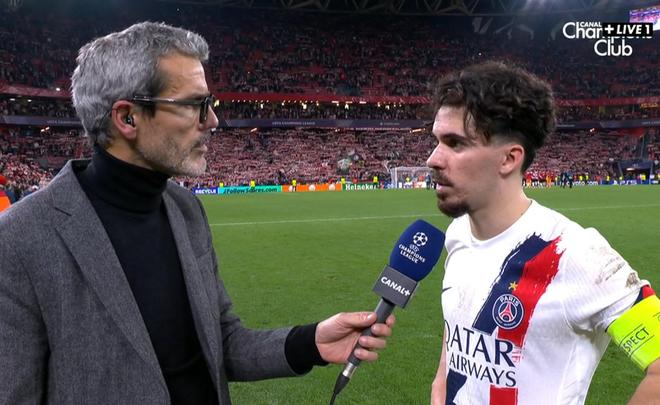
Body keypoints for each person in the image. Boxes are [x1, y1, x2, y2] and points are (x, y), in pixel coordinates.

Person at [0, 22, 394, 405]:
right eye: (194, 105)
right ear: (127, 117)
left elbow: (220, 343)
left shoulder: (185, 209)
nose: (213, 120)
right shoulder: (19, 240)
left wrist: (309, 342)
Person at [426, 61, 659, 404]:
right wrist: (440, 385)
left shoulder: (573, 253)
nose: (433, 159)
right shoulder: (458, 234)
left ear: (509, 159)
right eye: (437, 141)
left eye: (455, 144)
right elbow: (460, 329)